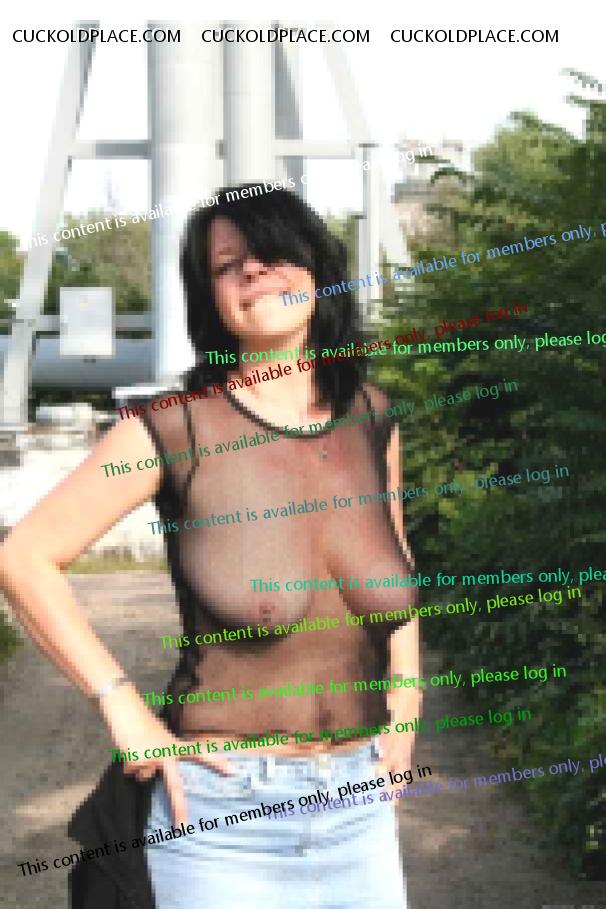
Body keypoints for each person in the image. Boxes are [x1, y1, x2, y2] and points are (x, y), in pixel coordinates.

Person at [0, 185, 422, 909]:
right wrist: (122, 707)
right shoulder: (175, 429)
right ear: (211, 301)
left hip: (360, 807)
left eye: (271, 253)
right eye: (228, 266)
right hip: (221, 820)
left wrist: (407, 702)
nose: (253, 271)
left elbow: (398, 560)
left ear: (317, 269)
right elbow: (23, 556)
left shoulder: (371, 417)